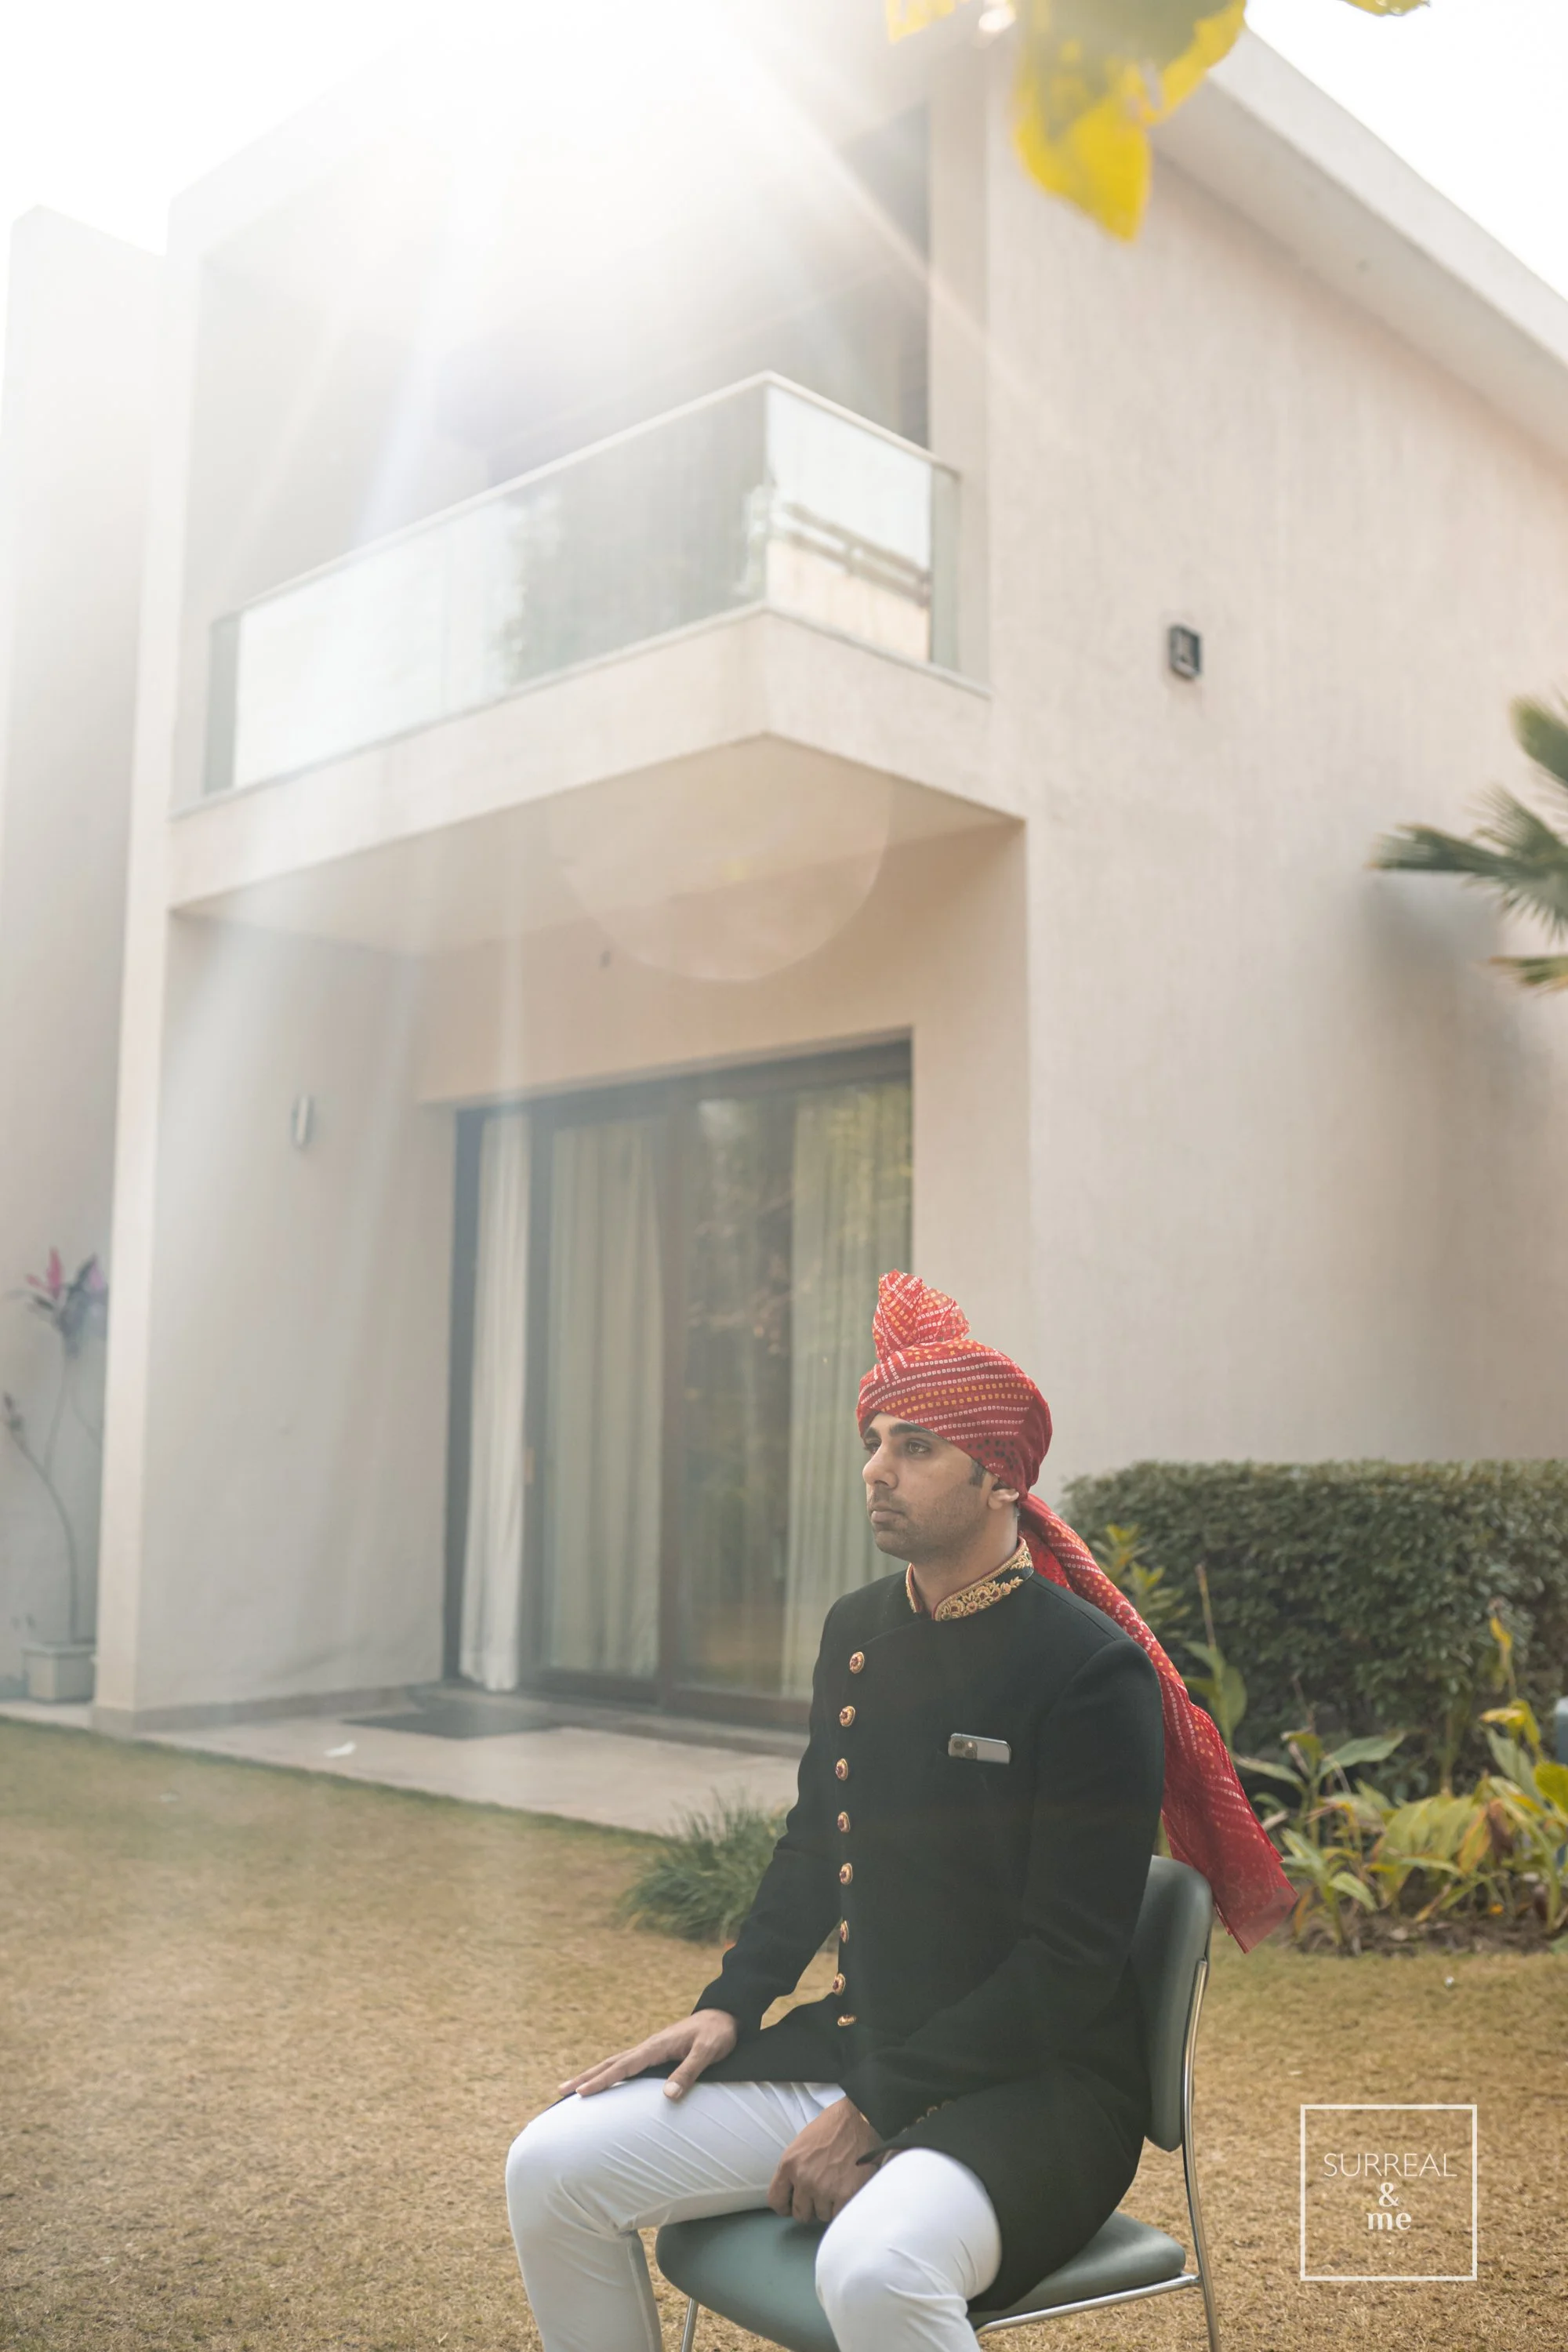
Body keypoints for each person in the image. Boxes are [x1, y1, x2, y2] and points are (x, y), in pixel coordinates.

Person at [506, 1272, 1292, 2352]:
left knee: (875, 2268)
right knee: (549, 2166)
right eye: (875, 1441)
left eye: (915, 1447)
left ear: (1001, 1476)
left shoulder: (1089, 1672)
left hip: (1040, 2092)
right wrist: (732, 2003)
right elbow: (809, 1841)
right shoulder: (858, 1629)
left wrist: (875, 2109)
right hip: (862, 2048)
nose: (877, 1469)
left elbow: (1067, 1965)